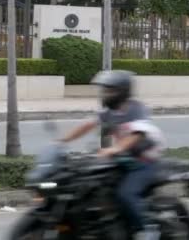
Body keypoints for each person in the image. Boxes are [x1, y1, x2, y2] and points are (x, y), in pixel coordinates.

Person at [59, 70, 165, 240]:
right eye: (104, 90)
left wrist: (114, 149)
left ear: (122, 91)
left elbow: (137, 134)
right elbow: (88, 124)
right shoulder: (109, 111)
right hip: (124, 159)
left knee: (126, 194)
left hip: (144, 161)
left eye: (109, 90)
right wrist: (63, 140)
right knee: (95, 185)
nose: (105, 94)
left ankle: (148, 230)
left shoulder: (136, 109)